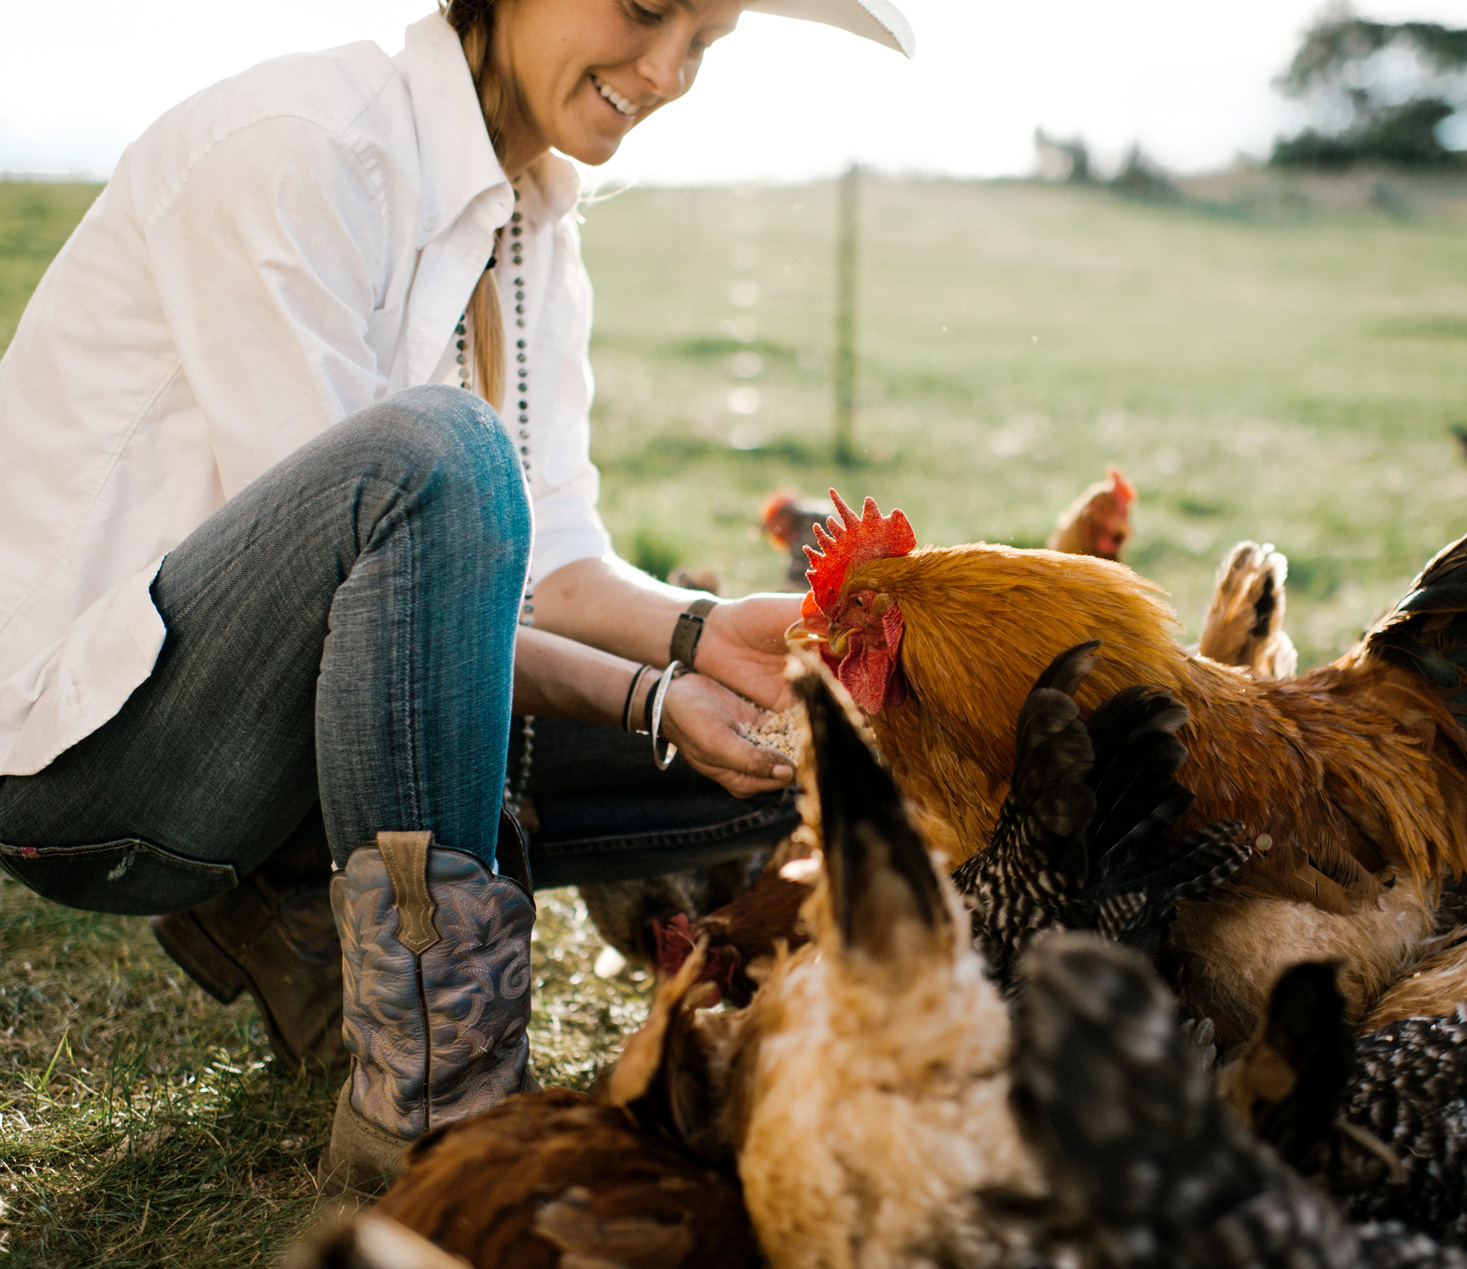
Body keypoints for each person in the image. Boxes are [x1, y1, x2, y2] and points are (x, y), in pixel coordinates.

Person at [0, 0, 913, 1189]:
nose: (671, 69)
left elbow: (558, 565)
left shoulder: (534, 219)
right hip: (90, 768)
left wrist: (699, 641)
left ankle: (295, 903)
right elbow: (381, 577)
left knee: (788, 745)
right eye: (646, 9)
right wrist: (647, 694)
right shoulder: (299, 146)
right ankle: (434, 1118)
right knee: (438, 450)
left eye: (709, 38)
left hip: (274, 724)